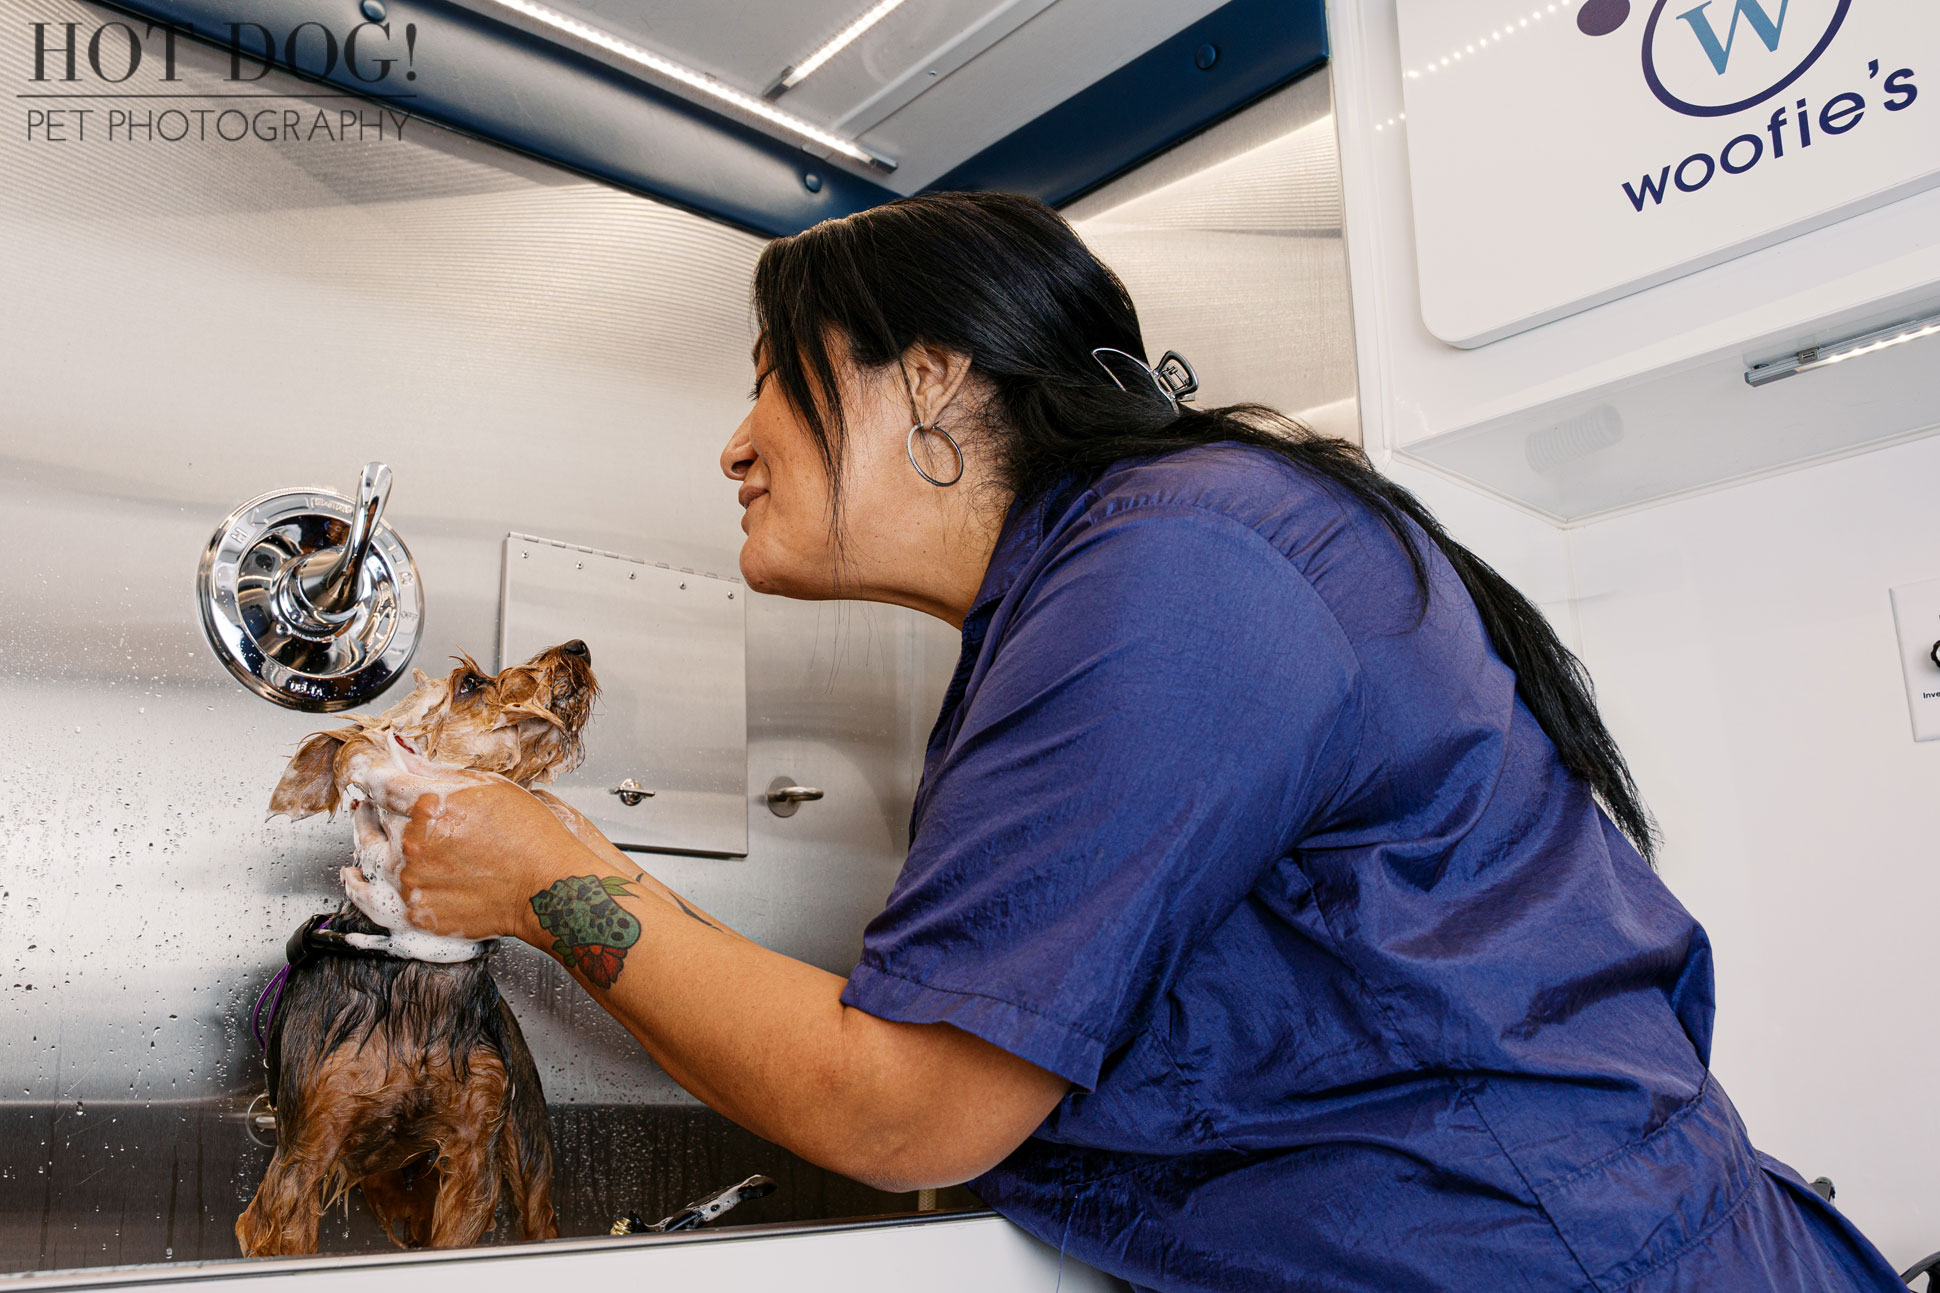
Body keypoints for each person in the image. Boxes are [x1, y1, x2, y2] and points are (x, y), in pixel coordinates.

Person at [361, 192, 1905, 1290]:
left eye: (773, 373)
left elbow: (901, 1107)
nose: (736, 438)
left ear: (936, 381)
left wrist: (543, 877)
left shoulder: (1177, 574)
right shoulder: (1125, 575)